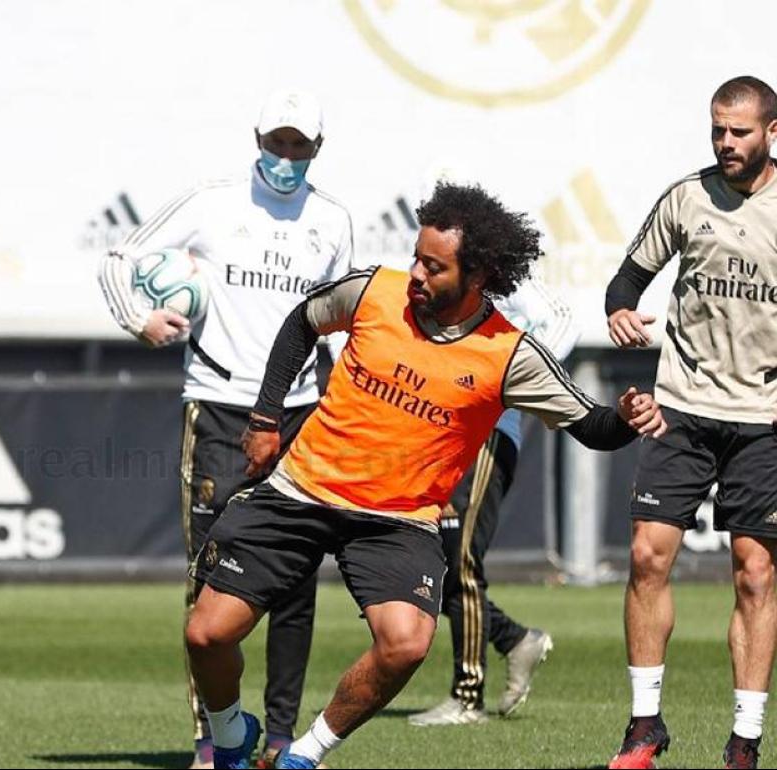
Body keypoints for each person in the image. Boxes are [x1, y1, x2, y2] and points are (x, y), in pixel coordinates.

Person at [184, 181, 666, 770]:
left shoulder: (508, 354)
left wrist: (625, 417)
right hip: (301, 490)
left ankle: (302, 757)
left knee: (408, 642)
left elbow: (591, 427)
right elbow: (301, 324)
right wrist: (265, 419)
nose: (415, 273)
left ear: (479, 275)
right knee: (206, 635)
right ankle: (231, 734)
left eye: (433, 267)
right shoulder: (371, 291)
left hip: (396, 521)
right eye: (415, 257)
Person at [98, 90, 354, 768]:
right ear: (257, 138)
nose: (286, 158)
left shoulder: (332, 220)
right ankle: (213, 739)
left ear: (319, 150)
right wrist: (139, 320)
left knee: (297, 584)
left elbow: (342, 324)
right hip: (217, 406)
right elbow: (119, 258)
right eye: (277, 142)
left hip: (302, 414)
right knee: (209, 580)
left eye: (300, 146)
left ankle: (278, 737)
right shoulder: (210, 202)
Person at [604, 75, 776, 770]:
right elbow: (626, 281)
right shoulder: (686, 198)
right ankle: (644, 727)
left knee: (755, 575)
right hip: (681, 406)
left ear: (772, 132)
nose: (726, 143)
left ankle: (745, 739)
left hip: (764, 418)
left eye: (739, 131)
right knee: (647, 555)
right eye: (717, 130)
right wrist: (619, 310)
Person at [408, 277, 577, 726]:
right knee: (439, 568)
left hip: (487, 431)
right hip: (439, 435)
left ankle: (467, 698)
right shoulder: (433, 283)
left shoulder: (506, 278)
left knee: (461, 562)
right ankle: (515, 640)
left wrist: (511, 380)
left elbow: (564, 321)